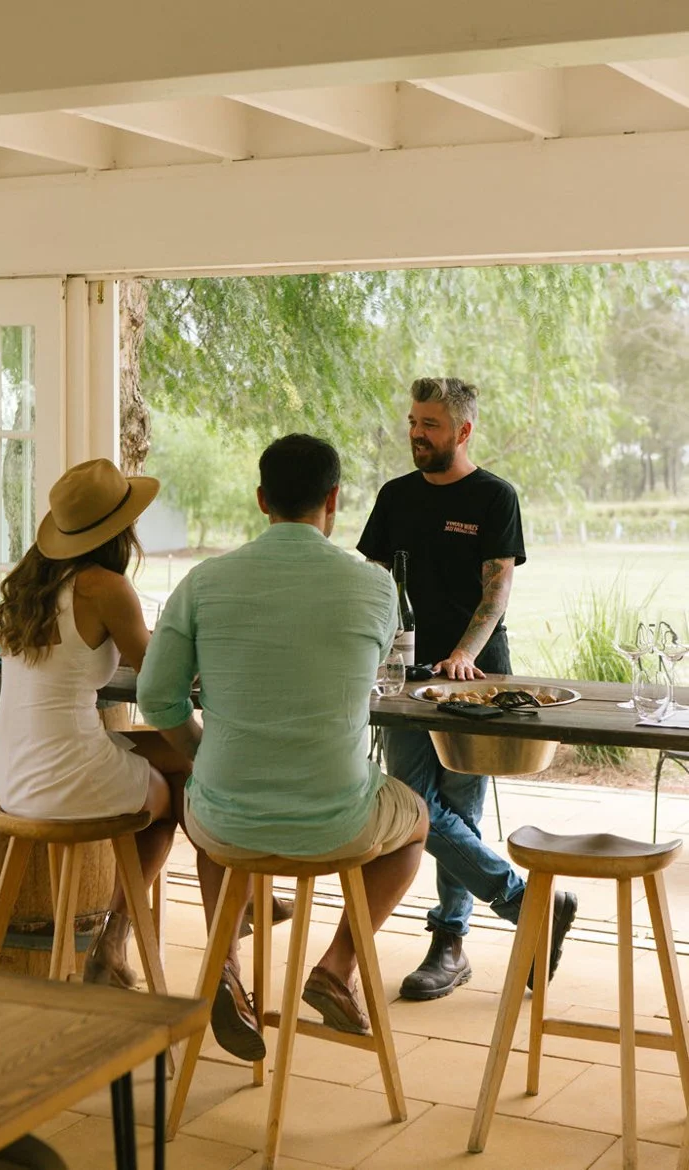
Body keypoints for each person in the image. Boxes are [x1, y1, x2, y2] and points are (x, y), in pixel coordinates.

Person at [138, 433, 429, 1058]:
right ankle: (335, 966)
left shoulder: (204, 581)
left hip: (226, 816)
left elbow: (157, 696)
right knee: (418, 821)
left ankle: (226, 969)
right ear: (334, 498)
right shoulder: (376, 589)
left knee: (219, 813)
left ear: (262, 499)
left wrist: (200, 750)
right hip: (338, 824)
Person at [357, 377, 577, 1000]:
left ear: (463, 431)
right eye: (413, 421)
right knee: (413, 803)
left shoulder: (494, 496)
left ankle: (448, 943)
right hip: (404, 677)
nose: (416, 434)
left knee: (457, 805)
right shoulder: (394, 496)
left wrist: (460, 655)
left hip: (476, 678)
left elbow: (497, 588)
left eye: (429, 424)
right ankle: (527, 902)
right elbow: (375, 585)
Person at [0, 457, 192, 988]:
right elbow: (159, 677)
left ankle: (128, 942)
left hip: (15, 775)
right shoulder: (105, 587)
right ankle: (115, 941)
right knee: (178, 787)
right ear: (119, 530)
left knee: (182, 757)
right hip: (65, 773)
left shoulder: (33, 585)